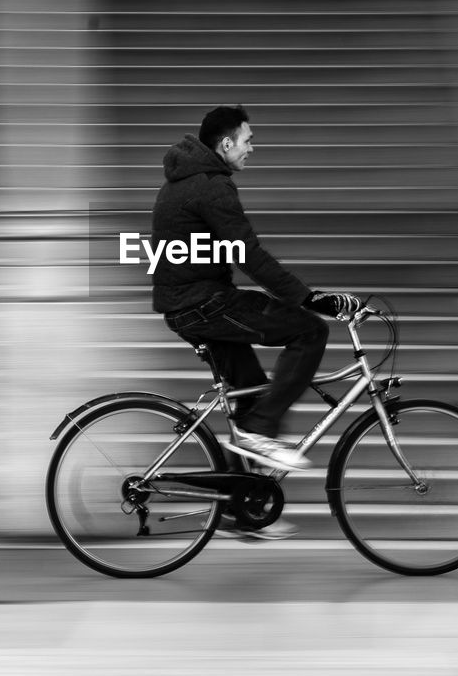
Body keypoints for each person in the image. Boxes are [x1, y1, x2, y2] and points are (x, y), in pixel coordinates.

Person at [152, 106, 360, 485]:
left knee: (250, 394)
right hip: (202, 304)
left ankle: (241, 505)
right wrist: (309, 299)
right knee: (309, 331)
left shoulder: (184, 180)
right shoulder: (211, 186)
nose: (251, 148)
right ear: (226, 143)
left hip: (188, 303)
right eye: (248, 141)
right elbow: (248, 254)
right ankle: (260, 432)